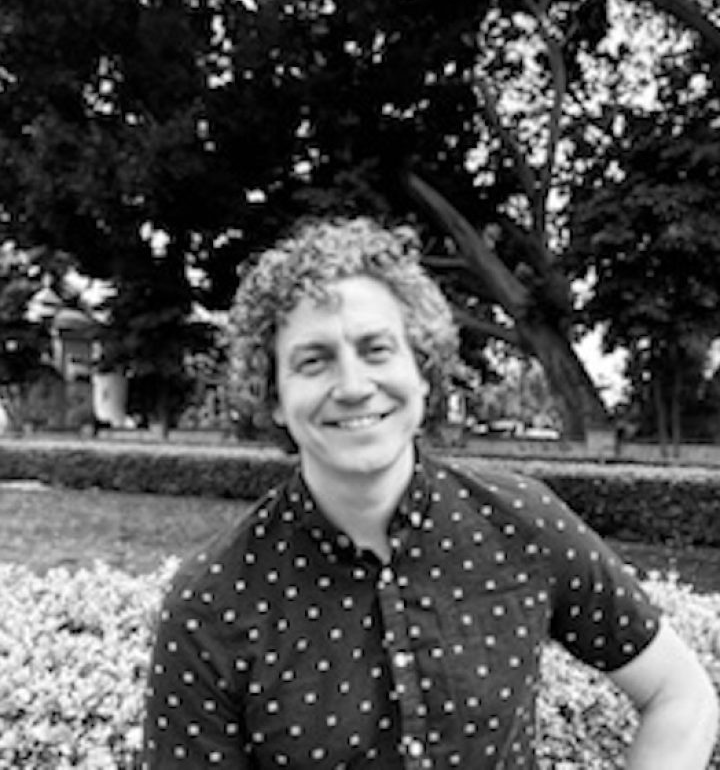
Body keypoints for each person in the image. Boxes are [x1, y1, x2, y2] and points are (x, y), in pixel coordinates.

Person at [141, 217, 718, 769]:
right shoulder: (210, 605)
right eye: (314, 361)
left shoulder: (523, 523)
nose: (353, 386)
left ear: (422, 370)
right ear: (273, 397)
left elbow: (679, 695)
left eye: (377, 350)